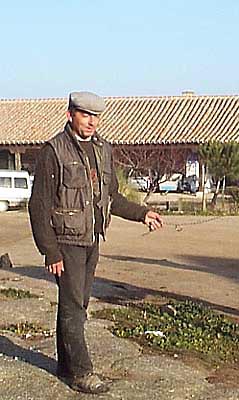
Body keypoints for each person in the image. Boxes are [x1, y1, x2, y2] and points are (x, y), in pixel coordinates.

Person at [28, 91, 164, 394]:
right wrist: (50, 250)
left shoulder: (103, 149)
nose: (91, 122)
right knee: (74, 306)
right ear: (70, 115)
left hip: (91, 241)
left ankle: (66, 365)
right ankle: (82, 372)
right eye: (84, 115)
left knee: (77, 303)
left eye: (95, 116)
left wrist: (143, 213)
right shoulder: (55, 151)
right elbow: (39, 205)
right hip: (66, 242)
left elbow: (111, 197)